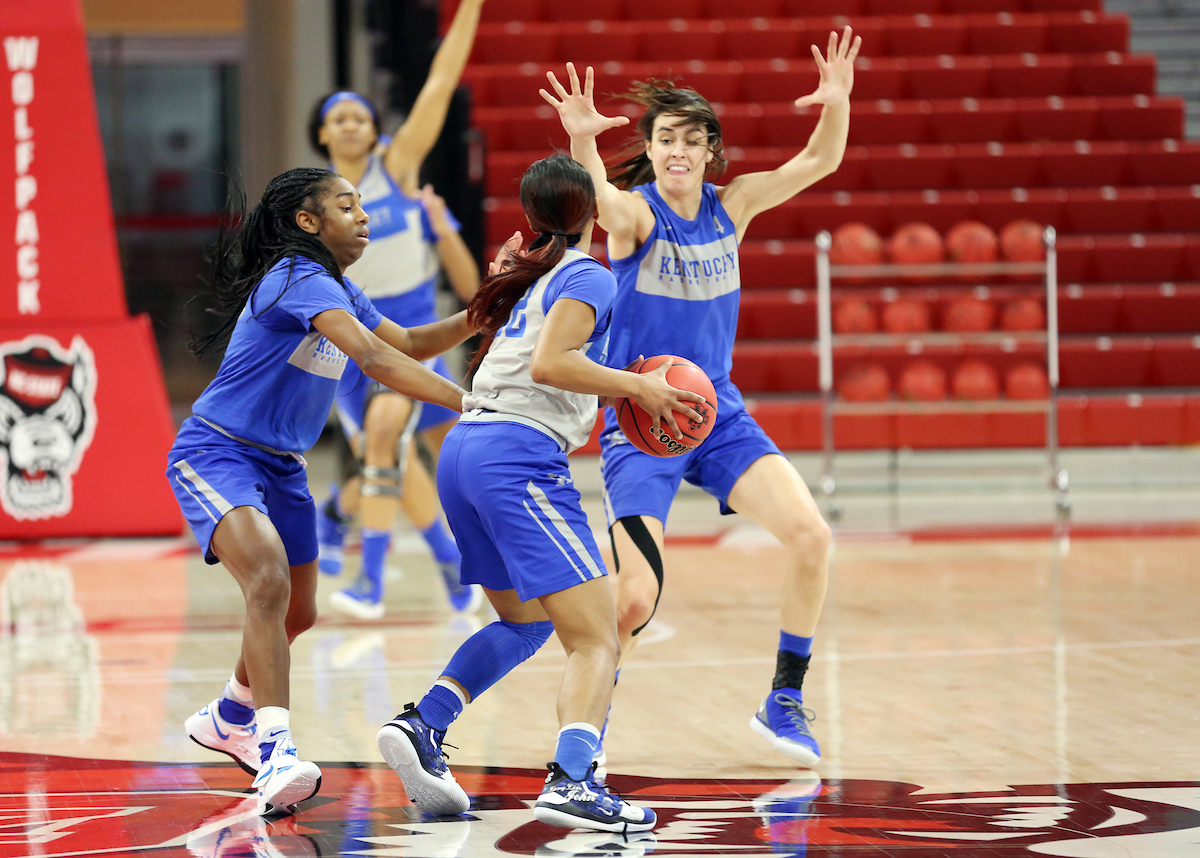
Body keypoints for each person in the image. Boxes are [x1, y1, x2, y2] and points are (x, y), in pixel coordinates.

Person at [540, 27, 861, 771]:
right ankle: (584, 734)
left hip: (716, 414)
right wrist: (584, 145)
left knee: (812, 537)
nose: (679, 150)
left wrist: (836, 102)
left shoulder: (736, 204)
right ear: (649, 150)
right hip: (641, 417)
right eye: (665, 139)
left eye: (692, 139)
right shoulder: (638, 217)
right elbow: (599, 199)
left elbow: (822, 159)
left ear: (711, 151)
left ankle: (783, 699)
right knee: (632, 602)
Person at [373, 154, 703, 832]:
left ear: (531, 216)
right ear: (591, 214)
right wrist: (638, 386)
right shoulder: (587, 274)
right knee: (598, 638)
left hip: (464, 451)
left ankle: (422, 723)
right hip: (515, 458)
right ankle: (573, 781)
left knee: (525, 623)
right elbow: (554, 363)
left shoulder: (529, 277)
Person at [170, 167, 476, 815]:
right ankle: (274, 748)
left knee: (298, 612)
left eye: (361, 204)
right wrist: (471, 402)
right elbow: (376, 360)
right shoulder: (293, 275)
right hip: (217, 451)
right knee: (269, 583)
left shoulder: (337, 289)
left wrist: (489, 307)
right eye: (347, 205)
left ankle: (229, 713)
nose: (363, 214)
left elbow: (415, 343)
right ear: (308, 222)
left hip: (282, 466)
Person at [306, 0, 490, 620]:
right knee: (398, 460)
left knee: (386, 435)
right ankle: (453, 568)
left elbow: (440, 83)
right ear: (325, 135)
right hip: (347, 340)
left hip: (408, 334)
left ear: (375, 129)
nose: (353, 124)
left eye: (362, 115)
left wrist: (469, 12)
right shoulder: (310, 197)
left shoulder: (396, 165)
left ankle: (370, 580)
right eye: (341, 118)